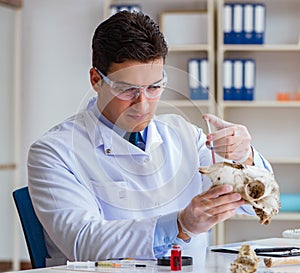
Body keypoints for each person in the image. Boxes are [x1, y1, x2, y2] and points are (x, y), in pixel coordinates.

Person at [27, 11, 272, 266]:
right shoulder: (54, 151)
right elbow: (81, 242)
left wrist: (245, 156)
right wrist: (178, 225)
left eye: (154, 87)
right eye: (127, 89)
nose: (142, 104)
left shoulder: (185, 135)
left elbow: (252, 205)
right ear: (96, 80)